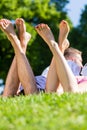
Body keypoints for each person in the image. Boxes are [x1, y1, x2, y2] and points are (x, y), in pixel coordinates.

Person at [0, 18, 87, 97]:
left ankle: (20, 42)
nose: (81, 64)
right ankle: (59, 47)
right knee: (34, 92)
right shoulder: (74, 66)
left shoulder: (78, 74)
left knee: (9, 95)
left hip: (37, 82)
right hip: (45, 84)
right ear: (73, 59)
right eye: (80, 60)